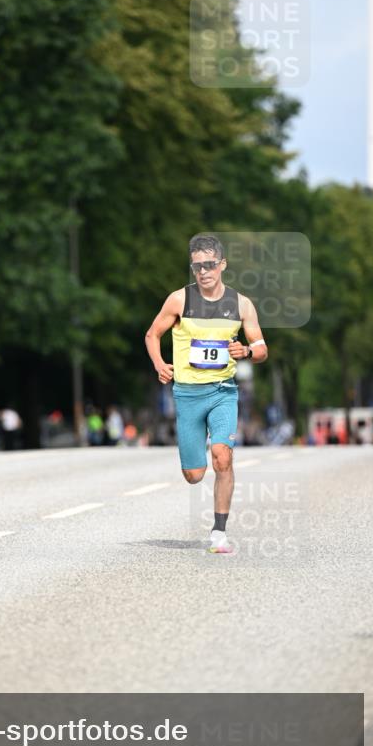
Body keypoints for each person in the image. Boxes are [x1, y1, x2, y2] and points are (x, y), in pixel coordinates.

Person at [144, 234, 268, 554]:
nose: (204, 272)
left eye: (210, 265)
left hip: (223, 392)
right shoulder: (178, 301)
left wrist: (248, 351)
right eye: (197, 266)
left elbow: (261, 347)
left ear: (222, 265)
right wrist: (159, 363)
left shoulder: (241, 304)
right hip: (187, 394)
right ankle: (192, 461)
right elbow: (152, 334)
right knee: (194, 475)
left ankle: (219, 532)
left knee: (222, 457)